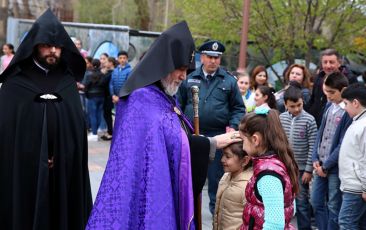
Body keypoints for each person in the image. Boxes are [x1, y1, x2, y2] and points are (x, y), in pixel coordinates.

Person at [86, 21, 241, 229]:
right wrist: (211, 143)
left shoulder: (165, 97)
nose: (183, 77)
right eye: (180, 69)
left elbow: (174, 140)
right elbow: (173, 143)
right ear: (163, 65)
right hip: (143, 199)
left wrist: (207, 143)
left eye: (187, 70)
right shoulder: (140, 100)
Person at [0, 9, 92, 229]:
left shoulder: (67, 83)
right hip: (25, 173)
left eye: (57, 46)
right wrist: (36, 157)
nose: (52, 50)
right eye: (46, 45)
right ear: (34, 46)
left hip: (64, 172)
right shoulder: (15, 84)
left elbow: (76, 131)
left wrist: (62, 153)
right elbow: (7, 133)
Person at [178, 40, 245, 215]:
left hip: (219, 139)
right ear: (202, 57)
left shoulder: (229, 80)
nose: (213, 61)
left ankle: (216, 215)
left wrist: (233, 125)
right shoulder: (189, 77)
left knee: (216, 180)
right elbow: (178, 104)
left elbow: (238, 108)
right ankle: (189, 215)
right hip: (193, 137)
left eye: (217, 57)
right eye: (209, 56)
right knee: (190, 178)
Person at [239, 107, 299, 229]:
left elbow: (275, 225)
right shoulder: (278, 162)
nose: (243, 147)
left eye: (243, 140)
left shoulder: (268, 175)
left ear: (255, 139)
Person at [311, 72, 352, 230]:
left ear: (343, 90)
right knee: (316, 202)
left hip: (333, 168)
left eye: (332, 92)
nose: (328, 95)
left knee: (334, 205)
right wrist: (315, 157)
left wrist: (326, 166)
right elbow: (320, 134)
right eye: (326, 91)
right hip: (319, 164)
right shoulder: (329, 106)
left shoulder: (347, 112)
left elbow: (342, 143)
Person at [279, 85, 318, 230]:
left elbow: (312, 147)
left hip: (301, 170)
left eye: (299, 105)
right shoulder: (281, 118)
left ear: (303, 101)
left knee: (301, 203)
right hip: (284, 167)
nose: (296, 109)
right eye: (292, 106)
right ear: (285, 105)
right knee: (283, 201)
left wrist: (308, 170)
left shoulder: (309, 120)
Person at [338, 83, 366, 229]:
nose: (344, 107)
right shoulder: (357, 122)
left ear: (355, 103)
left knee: (346, 222)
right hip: (353, 185)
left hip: (356, 187)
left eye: (346, 103)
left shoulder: (363, 124)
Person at [307, 48, 357, 127]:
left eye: (331, 62)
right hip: (316, 124)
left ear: (339, 63)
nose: (328, 65)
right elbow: (313, 100)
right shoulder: (318, 78)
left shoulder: (350, 79)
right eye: (325, 62)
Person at [213, 141, 252, 230]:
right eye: (223, 155)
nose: (222, 159)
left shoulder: (248, 187)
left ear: (245, 160)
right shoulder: (226, 176)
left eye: (227, 156)